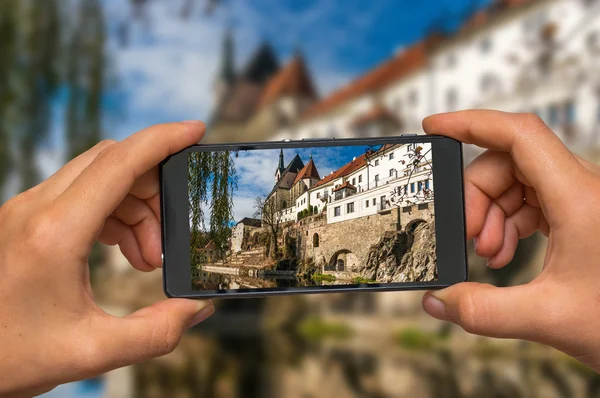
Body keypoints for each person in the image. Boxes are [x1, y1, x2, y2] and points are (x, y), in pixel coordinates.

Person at [0, 110, 598, 396]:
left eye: (291, 183)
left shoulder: (306, 192)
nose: (289, 189)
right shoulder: (283, 199)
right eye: (288, 185)